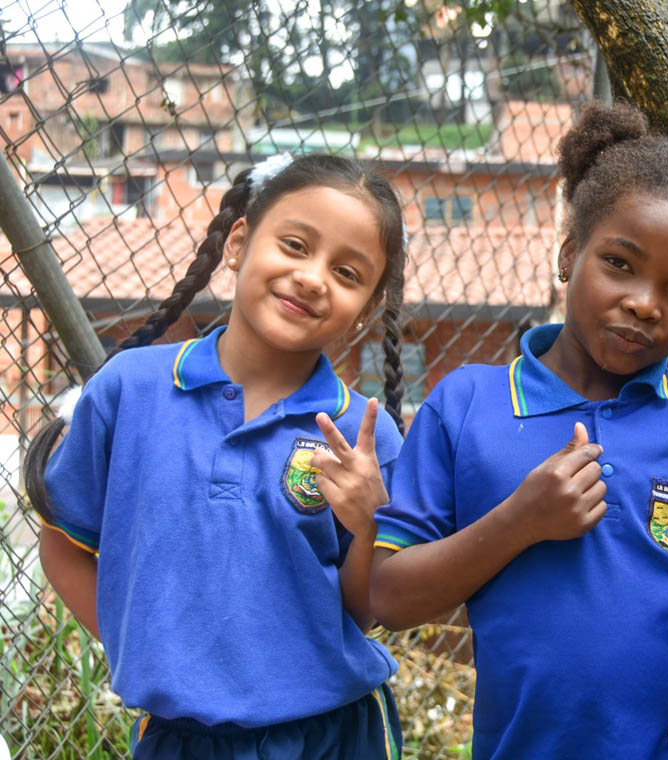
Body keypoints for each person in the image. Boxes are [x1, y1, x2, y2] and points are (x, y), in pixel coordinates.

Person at [369, 100, 668, 759]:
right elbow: (385, 595)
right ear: (569, 253)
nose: (645, 303)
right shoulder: (467, 406)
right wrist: (519, 522)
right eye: (620, 264)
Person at [25, 153, 408, 759]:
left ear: (364, 308)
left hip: (328, 735)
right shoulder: (130, 390)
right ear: (238, 243)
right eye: (295, 244)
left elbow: (363, 610)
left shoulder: (363, 434)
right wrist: (153, 651)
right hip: (177, 739)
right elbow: (62, 542)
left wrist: (365, 525)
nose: (312, 277)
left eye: (348, 273)